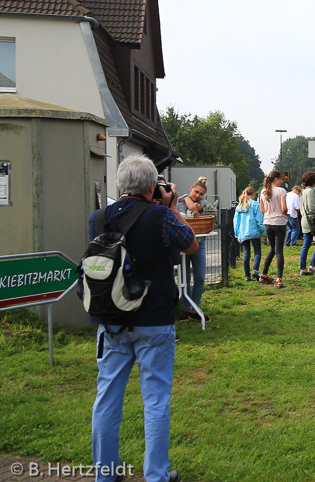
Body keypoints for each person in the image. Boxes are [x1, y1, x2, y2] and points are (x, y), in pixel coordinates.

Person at [89, 155, 197, 482]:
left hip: (111, 319)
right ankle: (156, 475)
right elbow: (191, 245)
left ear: (121, 185)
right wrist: (172, 205)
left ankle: (105, 473)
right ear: (153, 186)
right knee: (155, 400)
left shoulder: (98, 218)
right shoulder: (161, 215)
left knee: (107, 398)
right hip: (154, 320)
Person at [176, 177, 209, 320]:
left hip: (199, 242)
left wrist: (186, 197)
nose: (198, 196)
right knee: (185, 277)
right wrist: (184, 199)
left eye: (201, 194)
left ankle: (195, 307)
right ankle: (187, 308)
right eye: (196, 192)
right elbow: (185, 213)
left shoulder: (203, 202)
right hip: (183, 243)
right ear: (191, 189)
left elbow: (192, 207)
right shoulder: (178, 202)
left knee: (200, 277)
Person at [259, 171, 288, 287]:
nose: (281, 181)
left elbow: (262, 209)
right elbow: (284, 208)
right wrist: (284, 214)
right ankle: (279, 278)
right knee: (279, 250)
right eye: (281, 179)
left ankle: (264, 274)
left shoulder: (263, 191)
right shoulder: (281, 191)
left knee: (272, 249)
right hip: (279, 222)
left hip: (267, 222)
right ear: (276, 179)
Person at [233, 186, 264, 281]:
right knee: (257, 251)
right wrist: (263, 231)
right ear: (253, 194)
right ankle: (255, 270)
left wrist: (237, 233)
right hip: (254, 231)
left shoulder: (239, 207)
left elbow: (235, 222)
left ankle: (247, 275)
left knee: (247, 253)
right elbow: (260, 219)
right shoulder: (256, 205)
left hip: (243, 232)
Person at [299, 171, 315, 275]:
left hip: (306, 220)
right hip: (312, 220)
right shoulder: (310, 191)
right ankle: (311, 265)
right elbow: (311, 207)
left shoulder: (304, 191)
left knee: (307, 244)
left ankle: (303, 267)